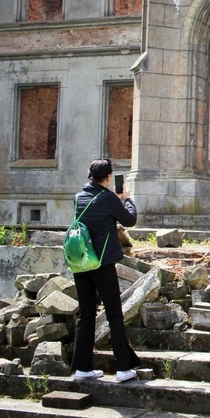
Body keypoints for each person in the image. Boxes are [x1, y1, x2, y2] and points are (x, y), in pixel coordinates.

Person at [71, 158, 141, 383]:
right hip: (102, 263)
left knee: (86, 314)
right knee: (113, 313)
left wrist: (114, 201)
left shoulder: (79, 198)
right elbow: (129, 220)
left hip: (82, 262)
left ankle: (82, 368)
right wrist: (127, 200)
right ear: (109, 176)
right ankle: (122, 367)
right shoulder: (109, 198)